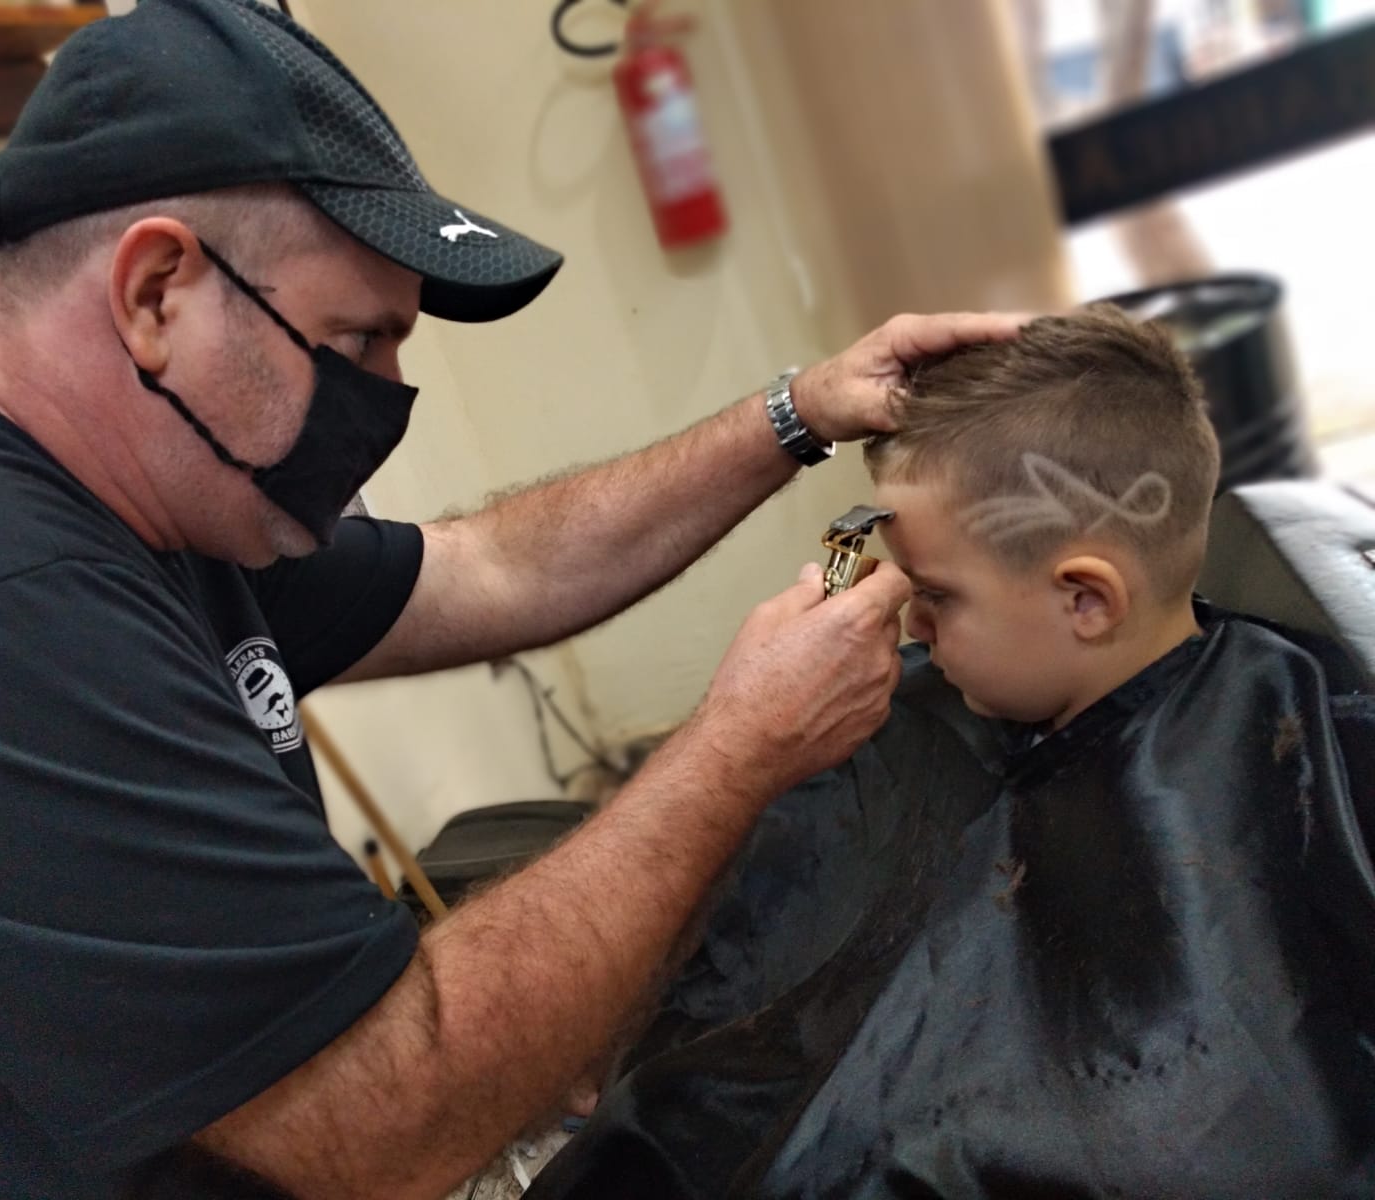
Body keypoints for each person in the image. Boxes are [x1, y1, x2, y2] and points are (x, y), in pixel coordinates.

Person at [0, 0, 1024, 1196]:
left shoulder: (157, 504)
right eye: (358, 343)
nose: (384, 404)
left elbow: (498, 570)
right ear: (158, 293)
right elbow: (376, 1125)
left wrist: (794, 412)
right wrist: (739, 750)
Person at [525, 306, 1375, 1199]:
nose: (907, 625)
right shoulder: (930, 701)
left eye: (934, 595)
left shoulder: (1287, 738)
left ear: (1086, 599)